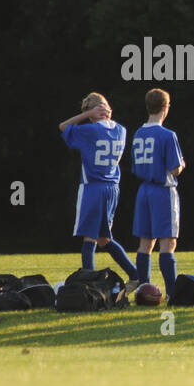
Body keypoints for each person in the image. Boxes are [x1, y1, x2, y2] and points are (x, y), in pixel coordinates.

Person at [58, 92, 140, 280]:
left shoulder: (89, 131)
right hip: (112, 188)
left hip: (93, 187)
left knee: (89, 237)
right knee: (104, 239)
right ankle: (136, 275)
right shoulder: (121, 129)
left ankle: (90, 283)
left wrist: (86, 115)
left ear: (92, 112)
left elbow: (63, 126)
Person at [131, 88, 185, 296]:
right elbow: (175, 168)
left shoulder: (138, 133)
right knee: (167, 242)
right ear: (165, 107)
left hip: (143, 190)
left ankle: (144, 290)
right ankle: (172, 292)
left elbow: (135, 167)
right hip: (163, 190)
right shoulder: (168, 135)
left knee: (145, 243)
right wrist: (182, 165)